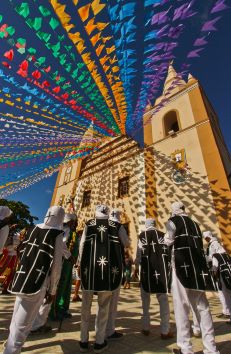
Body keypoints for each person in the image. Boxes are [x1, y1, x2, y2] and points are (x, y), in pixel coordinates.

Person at [3, 206, 65, 354]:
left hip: (21, 277)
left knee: (15, 320)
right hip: (37, 282)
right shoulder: (57, 234)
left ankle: (9, 346)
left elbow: (21, 250)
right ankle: (11, 351)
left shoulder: (31, 229)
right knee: (23, 326)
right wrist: (53, 289)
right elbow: (56, 266)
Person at [164, 201, 219, 354]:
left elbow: (168, 240)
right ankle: (211, 348)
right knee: (203, 307)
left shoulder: (172, 221)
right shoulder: (195, 224)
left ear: (173, 211)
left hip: (181, 266)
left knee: (181, 306)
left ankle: (185, 348)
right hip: (198, 268)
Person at [78, 204, 124, 353]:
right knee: (103, 308)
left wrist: (80, 263)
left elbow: (82, 245)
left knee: (85, 307)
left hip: (89, 270)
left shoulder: (89, 224)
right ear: (108, 213)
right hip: (108, 272)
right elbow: (124, 245)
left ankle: (83, 341)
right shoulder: (116, 225)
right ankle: (99, 342)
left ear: (95, 212)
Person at [134, 218, 174, 339]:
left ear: (146, 225)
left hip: (147, 271)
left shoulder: (142, 236)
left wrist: (136, 267)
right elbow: (168, 252)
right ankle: (165, 331)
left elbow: (138, 254)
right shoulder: (163, 235)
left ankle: (146, 328)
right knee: (163, 301)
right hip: (161, 272)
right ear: (155, 225)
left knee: (145, 302)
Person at [105, 208, 129, 340]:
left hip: (102, 264)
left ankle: (100, 331)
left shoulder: (103, 225)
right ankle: (110, 330)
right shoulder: (120, 227)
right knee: (113, 300)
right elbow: (126, 243)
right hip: (115, 265)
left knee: (102, 301)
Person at [49, 212, 78, 320]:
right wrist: (69, 256)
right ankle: (53, 311)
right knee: (59, 285)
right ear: (70, 222)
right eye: (74, 222)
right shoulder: (65, 229)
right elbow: (62, 243)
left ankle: (62, 307)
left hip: (68, 264)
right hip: (62, 261)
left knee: (66, 285)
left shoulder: (72, 232)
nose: (75, 224)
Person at [203, 230, 231, 324]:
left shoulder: (214, 244)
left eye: (206, 237)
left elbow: (217, 256)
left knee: (224, 292)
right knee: (223, 292)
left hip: (220, 271)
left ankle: (227, 312)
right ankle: (226, 311)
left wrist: (214, 271)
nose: (205, 239)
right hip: (219, 270)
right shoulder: (212, 244)